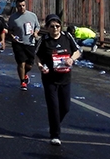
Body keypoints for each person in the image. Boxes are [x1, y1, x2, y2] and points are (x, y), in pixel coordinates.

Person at [34, 14, 80, 146]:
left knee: (65, 107)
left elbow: (77, 51)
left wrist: (72, 59)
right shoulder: (44, 40)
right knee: (53, 106)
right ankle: (55, 134)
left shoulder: (67, 37)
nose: (55, 29)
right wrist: (41, 66)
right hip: (50, 78)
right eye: (52, 26)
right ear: (47, 27)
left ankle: (55, 124)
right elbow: (38, 56)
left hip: (65, 77)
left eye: (57, 26)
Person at [8, 0, 40, 91]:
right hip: (18, 43)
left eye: (23, 5)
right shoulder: (13, 17)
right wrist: (12, 36)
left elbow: (37, 26)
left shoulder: (32, 15)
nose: (21, 7)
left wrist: (36, 33)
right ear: (16, 7)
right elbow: (10, 30)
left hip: (30, 42)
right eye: (19, 6)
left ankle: (24, 73)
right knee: (21, 62)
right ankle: (22, 81)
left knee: (29, 64)